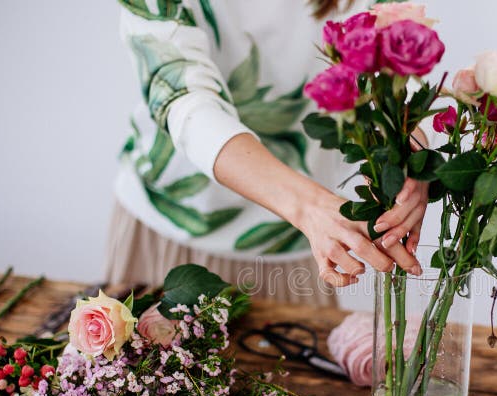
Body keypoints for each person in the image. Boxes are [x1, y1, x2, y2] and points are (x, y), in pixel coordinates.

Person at [106, 0, 430, 306]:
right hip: (171, 228)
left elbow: (392, 68)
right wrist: (310, 205)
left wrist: (409, 150)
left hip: (294, 246)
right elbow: (183, 99)